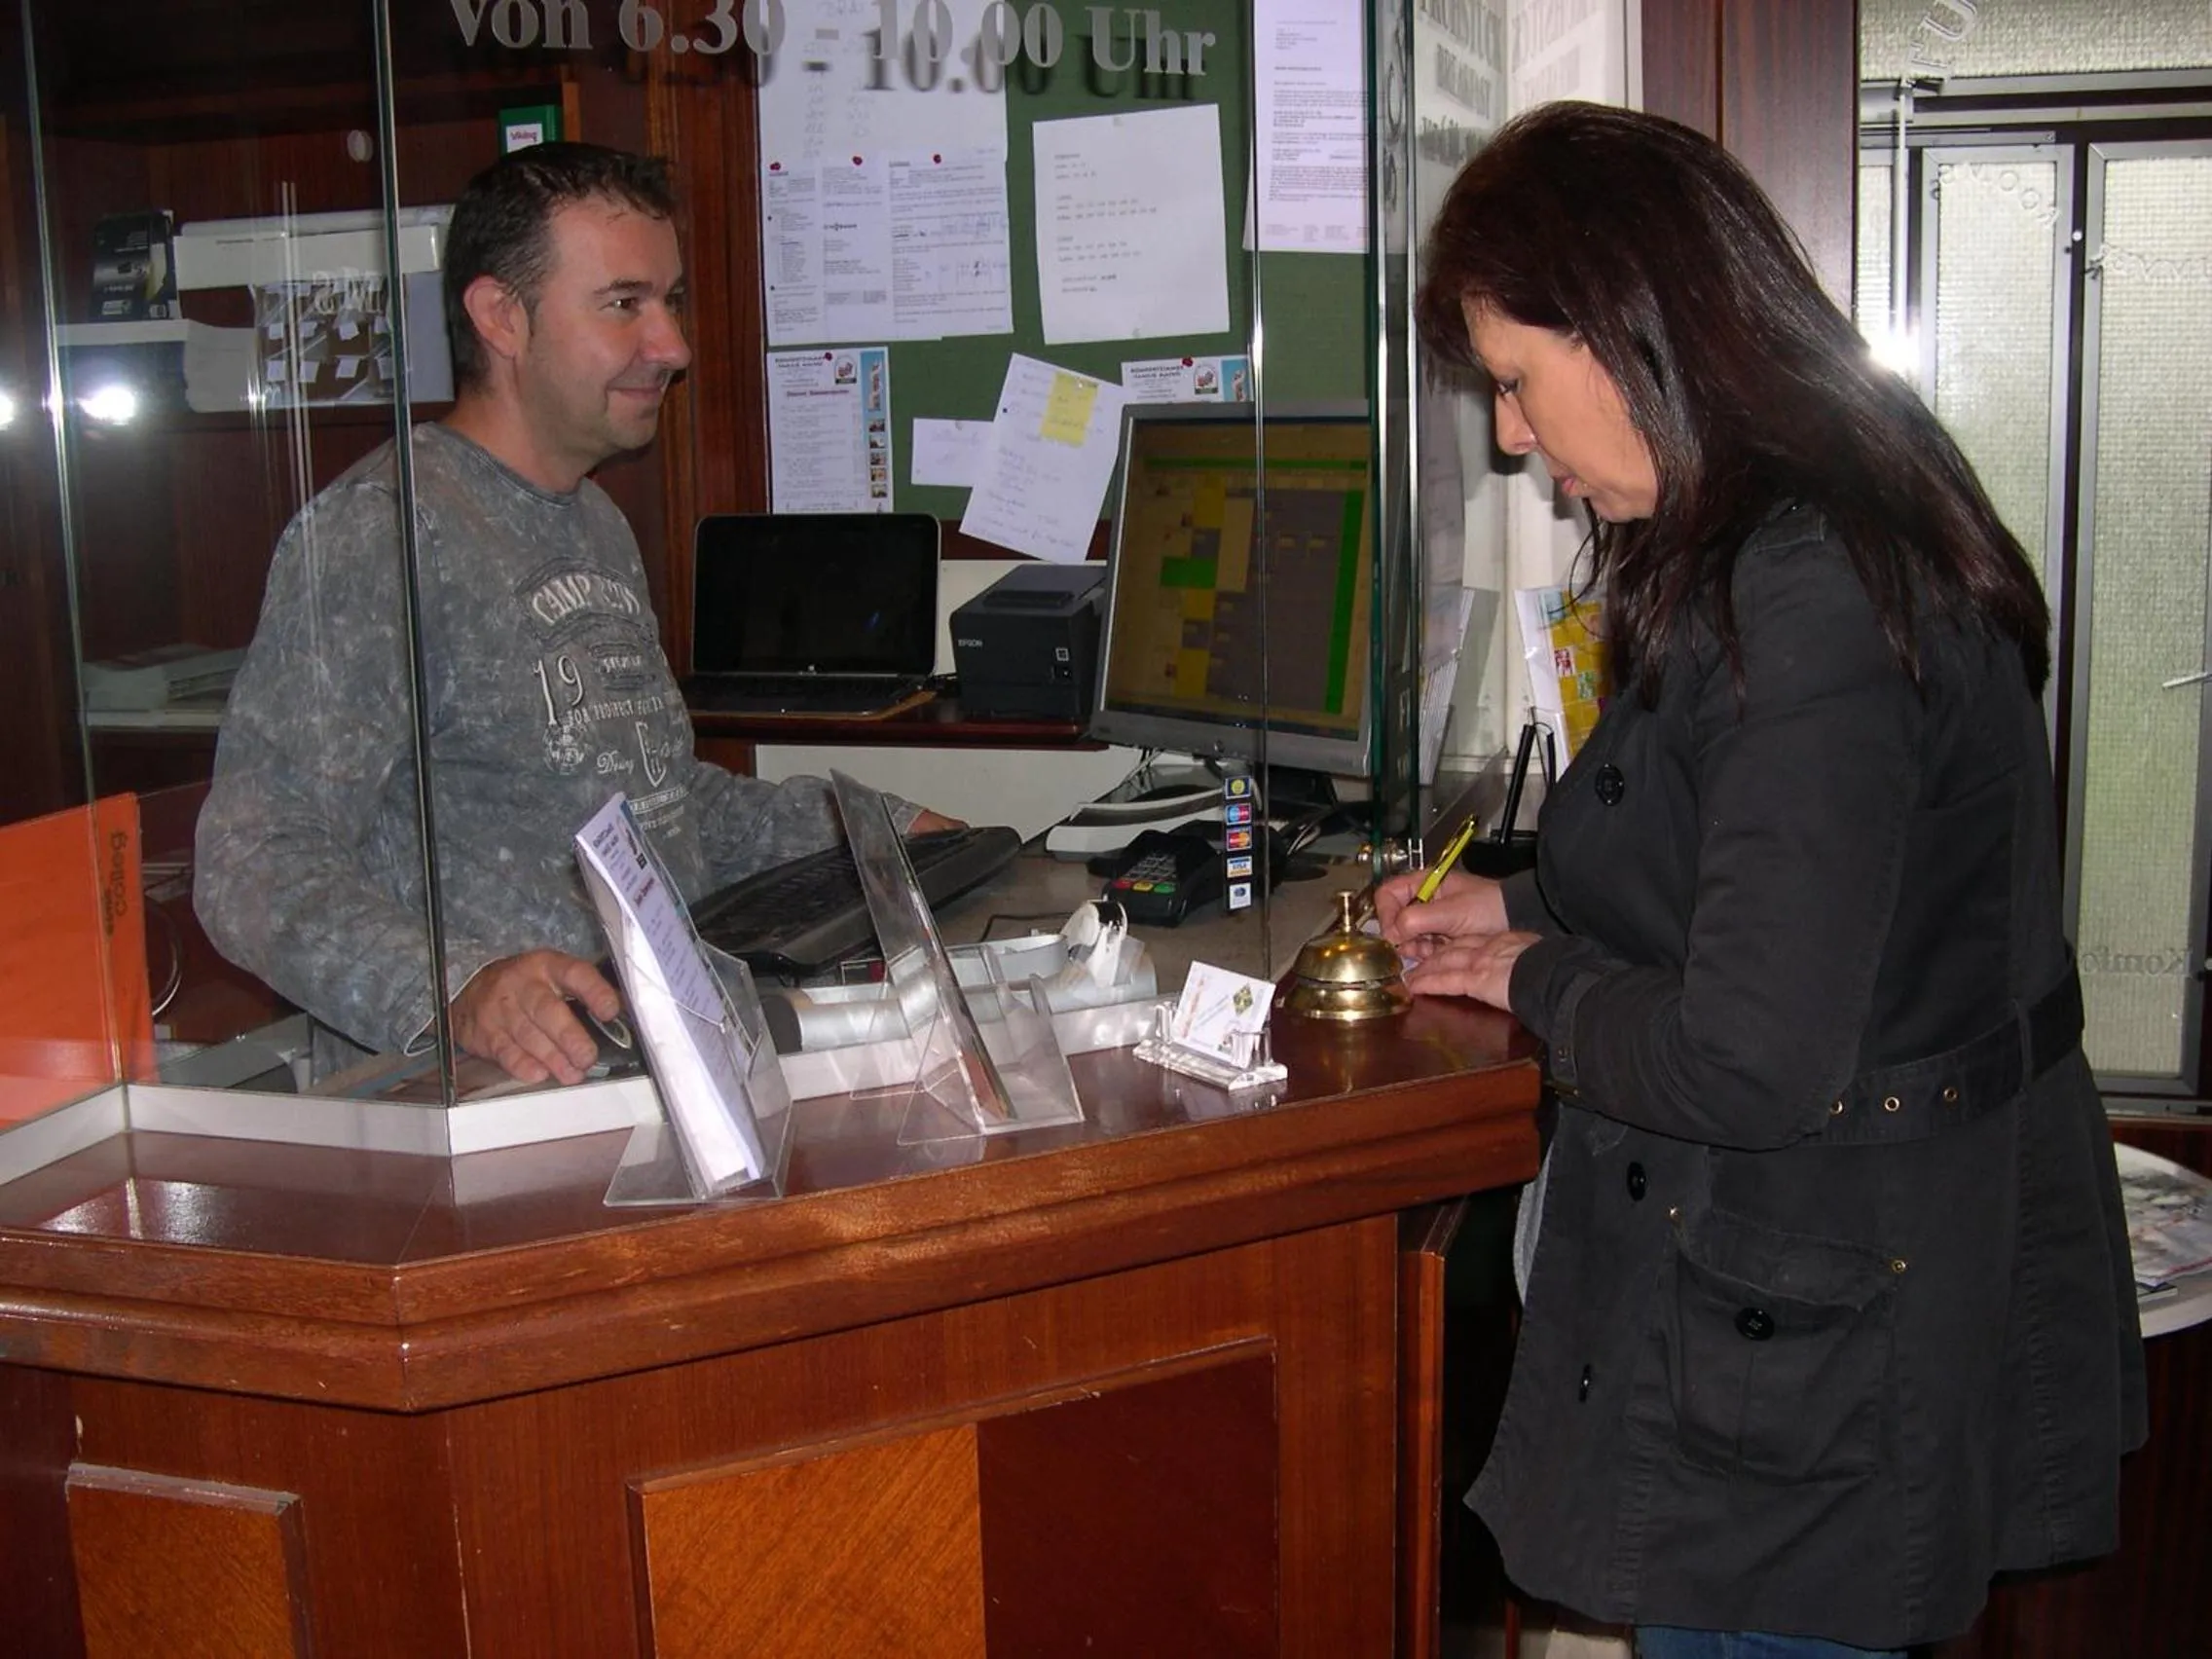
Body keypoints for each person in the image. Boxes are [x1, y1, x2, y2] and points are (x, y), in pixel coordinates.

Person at [1375, 103, 2144, 1658]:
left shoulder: (1812, 594)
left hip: (1824, 1340)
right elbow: (1765, 856)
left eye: (1516, 384)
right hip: (1828, 1286)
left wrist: (1532, 978)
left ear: (1627, 328)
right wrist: (1520, 907)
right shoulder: (1774, 531)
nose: (1511, 437)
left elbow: (1748, 1051)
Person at [197, 143, 954, 1088]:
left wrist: (872, 831)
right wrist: (461, 987)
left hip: (648, 1063)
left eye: (669, 302)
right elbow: (252, 861)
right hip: (492, 1100)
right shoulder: (383, 534)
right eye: (623, 304)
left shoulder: (593, 520)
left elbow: (657, 804)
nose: (671, 345)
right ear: (502, 317)